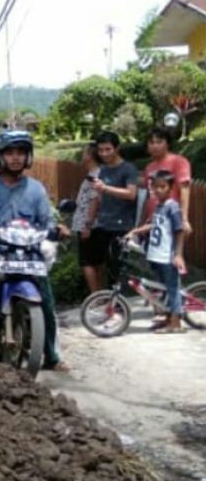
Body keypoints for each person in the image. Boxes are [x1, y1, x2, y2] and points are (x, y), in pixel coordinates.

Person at [0, 130, 67, 371]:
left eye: (21, 152)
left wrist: (57, 228)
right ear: (0, 157)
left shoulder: (36, 189)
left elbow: (46, 219)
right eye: (10, 152)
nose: (16, 157)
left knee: (47, 299)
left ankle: (52, 354)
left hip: (27, 251)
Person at [128, 170, 187, 332]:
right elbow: (154, 225)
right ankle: (168, 318)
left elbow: (180, 230)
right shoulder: (159, 207)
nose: (159, 190)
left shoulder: (172, 207)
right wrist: (135, 231)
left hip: (168, 256)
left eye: (163, 186)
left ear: (170, 188)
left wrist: (178, 254)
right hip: (156, 254)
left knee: (173, 288)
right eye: (156, 187)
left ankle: (176, 323)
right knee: (164, 288)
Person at [82, 131, 139, 292]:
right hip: (104, 224)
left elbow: (131, 194)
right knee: (107, 266)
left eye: (108, 149)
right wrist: (89, 223)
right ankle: (113, 304)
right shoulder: (103, 170)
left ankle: (120, 307)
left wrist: (106, 188)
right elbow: (98, 197)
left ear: (117, 148)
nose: (104, 153)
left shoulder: (128, 169)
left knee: (119, 268)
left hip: (122, 226)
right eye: (100, 150)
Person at [142, 126, 193, 234]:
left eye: (159, 142)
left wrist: (184, 219)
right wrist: (143, 220)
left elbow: (184, 190)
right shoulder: (149, 167)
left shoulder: (179, 162)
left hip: (171, 219)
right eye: (151, 142)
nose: (155, 146)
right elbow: (148, 196)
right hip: (153, 219)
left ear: (168, 143)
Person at [71, 142, 101, 292]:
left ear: (89, 156)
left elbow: (94, 200)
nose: (82, 156)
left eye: (84, 153)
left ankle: (95, 295)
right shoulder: (93, 174)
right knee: (94, 261)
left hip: (88, 224)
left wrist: (87, 225)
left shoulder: (95, 176)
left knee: (87, 262)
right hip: (88, 223)